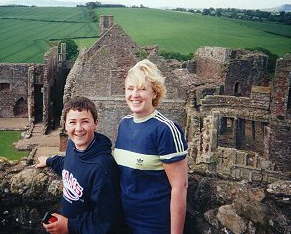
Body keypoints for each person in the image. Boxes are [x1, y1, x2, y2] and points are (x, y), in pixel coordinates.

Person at [113, 59, 188, 234]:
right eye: (130, 88)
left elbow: (180, 186)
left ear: (155, 93)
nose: (134, 94)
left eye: (142, 88)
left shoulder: (166, 129)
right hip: (122, 221)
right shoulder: (124, 124)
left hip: (153, 225)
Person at [36, 96, 122, 234]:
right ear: (65, 125)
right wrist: (49, 161)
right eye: (72, 122)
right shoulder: (72, 146)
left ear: (95, 123)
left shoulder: (103, 168)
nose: (78, 128)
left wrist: (70, 226)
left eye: (85, 121)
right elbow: (69, 164)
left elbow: (107, 220)